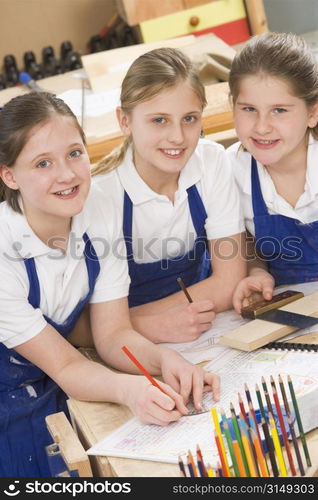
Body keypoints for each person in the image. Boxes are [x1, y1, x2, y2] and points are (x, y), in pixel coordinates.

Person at [0, 91, 220, 477]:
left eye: (74, 153)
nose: (67, 174)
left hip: (58, 385)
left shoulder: (95, 209)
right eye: (43, 163)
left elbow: (113, 333)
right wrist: (130, 390)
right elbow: (67, 363)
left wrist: (164, 360)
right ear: (9, 175)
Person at [92, 47, 246, 343]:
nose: (177, 136)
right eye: (159, 120)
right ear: (124, 121)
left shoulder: (211, 162)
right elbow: (82, 325)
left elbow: (229, 282)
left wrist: (126, 322)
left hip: (204, 330)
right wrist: (149, 327)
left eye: (189, 119)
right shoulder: (100, 196)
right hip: (129, 346)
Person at [226, 32, 318, 314]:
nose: (262, 127)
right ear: (233, 107)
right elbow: (247, 243)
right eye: (249, 109)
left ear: (312, 113)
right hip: (287, 307)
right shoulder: (231, 170)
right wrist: (255, 271)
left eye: (279, 110)